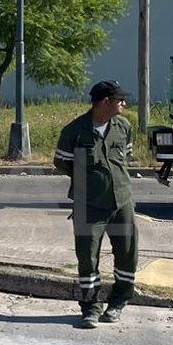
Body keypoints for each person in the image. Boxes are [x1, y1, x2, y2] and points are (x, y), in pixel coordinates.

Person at [53, 80, 138, 329]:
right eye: (119, 100)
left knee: (127, 254)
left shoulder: (123, 126)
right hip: (88, 205)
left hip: (121, 201)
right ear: (104, 102)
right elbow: (62, 162)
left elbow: (126, 157)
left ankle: (118, 302)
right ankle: (90, 307)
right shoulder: (75, 131)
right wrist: (88, 182)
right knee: (87, 258)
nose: (124, 103)